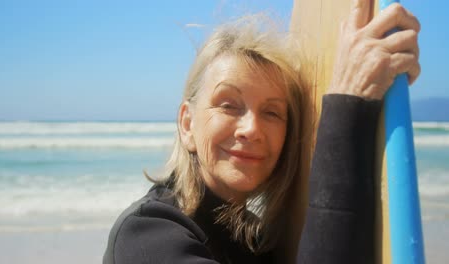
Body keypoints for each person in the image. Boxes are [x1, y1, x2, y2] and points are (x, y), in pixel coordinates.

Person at [103, 0, 420, 263]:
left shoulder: (257, 242)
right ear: (187, 124)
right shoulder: (147, 236)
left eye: (271, 112)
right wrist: (347, 104)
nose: (251, 128)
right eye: (228, 105)